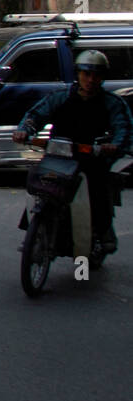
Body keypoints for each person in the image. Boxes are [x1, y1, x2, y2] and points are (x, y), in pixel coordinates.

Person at [13, 49, 132, 254]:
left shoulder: (112, 103)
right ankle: (33, 233)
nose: (91, 79)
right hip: (58, 156)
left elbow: (124, 129)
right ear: (78, 74)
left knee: (97, 187)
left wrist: (113, 145)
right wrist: (25, 130)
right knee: (40, 184)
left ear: (103, 77)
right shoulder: (60, 97)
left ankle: (103, 232)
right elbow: (36, 115)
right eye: (86, 74)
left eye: (96, 75)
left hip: (91, 159)